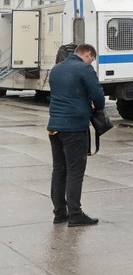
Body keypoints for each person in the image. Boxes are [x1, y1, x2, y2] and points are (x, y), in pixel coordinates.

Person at [47, 43, 105, 226]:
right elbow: (98, 96)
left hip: (54, 126)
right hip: (74, 128)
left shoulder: (56, 69)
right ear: (87, 54)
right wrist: (98, 108)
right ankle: (75, 214)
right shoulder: (84, 69)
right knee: (75, 171)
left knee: (59, 169)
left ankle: (59, 212)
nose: (92, 63)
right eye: (92, 59)